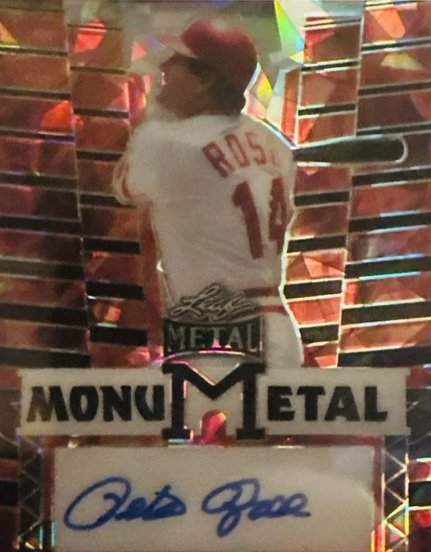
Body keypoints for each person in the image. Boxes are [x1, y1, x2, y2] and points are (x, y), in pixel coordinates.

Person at [113, 17, 303, 369]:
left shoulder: (164, 140)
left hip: (219, 330)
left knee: (123, 398)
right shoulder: (274, 142)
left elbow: (126, 188)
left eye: (179, 61)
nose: (165, 68)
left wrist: (153, 116)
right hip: (278, 332)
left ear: (205, 80)